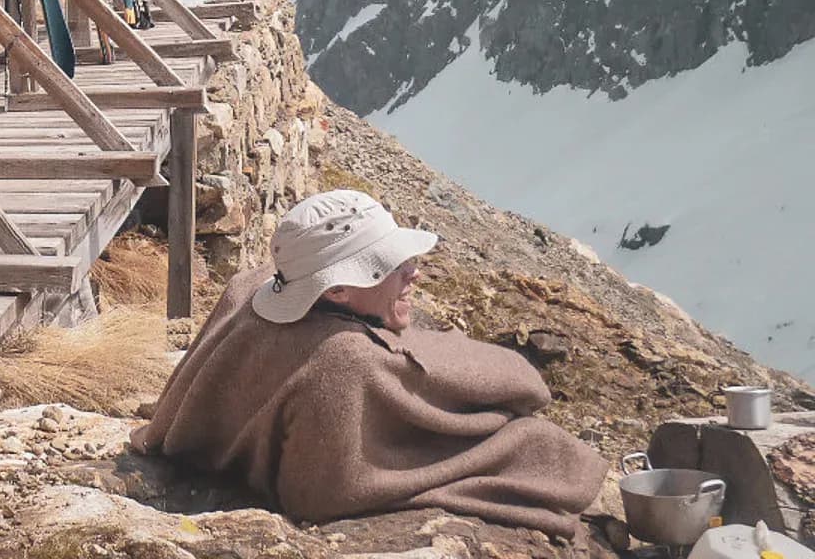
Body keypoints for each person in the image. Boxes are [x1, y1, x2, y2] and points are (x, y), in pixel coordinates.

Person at [137, 190, 607, 539]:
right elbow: (324, 492)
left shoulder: (254, 288)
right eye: (390, 264)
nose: (414, 272)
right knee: (533, 440)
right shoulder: (348, 365)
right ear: (336, 291)